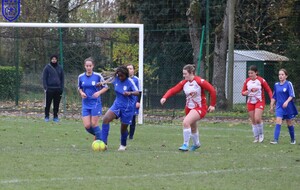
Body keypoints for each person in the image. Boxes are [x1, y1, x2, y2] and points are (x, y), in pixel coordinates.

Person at [160, 64, 216, 151]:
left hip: (200, 108)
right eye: (183, 73)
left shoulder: (199, 81)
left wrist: (212, 105)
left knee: (186, 122)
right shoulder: (184, 83)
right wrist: (164, 97)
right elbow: (173, 90)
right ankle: (196, 144)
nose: (184, 75)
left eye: (185, 74)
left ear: (191, 73)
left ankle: (185, 144)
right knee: (192, 127)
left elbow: (212, 90)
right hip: (188, 108)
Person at [100, 65, 140, 151]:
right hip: (117, 105)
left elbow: (137, 92)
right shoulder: (116, 78)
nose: (120, 77)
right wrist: (101, 83)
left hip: (128, 108)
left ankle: (123, 145)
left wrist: (130, 93)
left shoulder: (130, 81)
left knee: (123, 128)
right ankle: (104, 144)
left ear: (126, 75)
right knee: (105, 119)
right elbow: (108, 80)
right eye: (119, 75)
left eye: (122, 76)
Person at [78, 57, 109, 142]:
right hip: (85, 103)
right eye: (87, 66)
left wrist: (99, 93)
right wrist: (81, 93)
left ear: (93, 66)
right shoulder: (81, 77)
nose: (88, 67)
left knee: (94, 124)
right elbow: (79, 87)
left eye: (90, 66)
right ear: (84, 66)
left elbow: (106, 87)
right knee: (87, 126)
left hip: (95, 103)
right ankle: (100, 134)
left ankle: (102, 143)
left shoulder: (98, 76)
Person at [241, 65, 272, 143]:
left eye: (252, 73)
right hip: (250, 102)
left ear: (256, 73)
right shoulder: (247, 81)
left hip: (259, 101)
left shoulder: (261, 80)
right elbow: (243, 92)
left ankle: (261, 134)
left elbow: (268, 90)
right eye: (249, 73)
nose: (250, 75)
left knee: (257, 118)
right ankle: (256, 137)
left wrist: (272, 99)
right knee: (253, 120)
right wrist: (245, 93)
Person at [269, 69, 298, 144]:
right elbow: (274, 96)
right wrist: (271, 106)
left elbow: (292, 95)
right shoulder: (276, 85)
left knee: (289, 123)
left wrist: (287, 102)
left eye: (282, 74)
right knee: (278, 121)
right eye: (279, 74)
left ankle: (293, 139)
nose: (280, 76)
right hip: (279, 107)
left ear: (286, 76)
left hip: (288, 107)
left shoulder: (288, 84)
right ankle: (275, 140)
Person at [42, 54, 64, 122]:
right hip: (49, 89)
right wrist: (46, 87)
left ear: (57, 60)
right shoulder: (47, 68)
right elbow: (44, 78)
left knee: (56, 104)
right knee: (47, 104)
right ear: (51, 60)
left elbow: (62, 78)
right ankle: (46, 116)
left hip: (58, 89)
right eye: (53, 59)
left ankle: (55, 116)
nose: (54, 60)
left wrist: (61, 88)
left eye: (55, 59)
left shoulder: (60, 68)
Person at [127, 64, 141, 140]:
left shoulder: (137, 80)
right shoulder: (124, 79)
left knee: (132, 119)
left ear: (133, 70)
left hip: (133, 102)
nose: (129, 70)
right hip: (125, 102)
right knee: (123, 118)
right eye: (128, 68)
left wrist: (138, 101)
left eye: (131, 68)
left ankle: (131, 136)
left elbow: (140, 91)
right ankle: (125, 133)